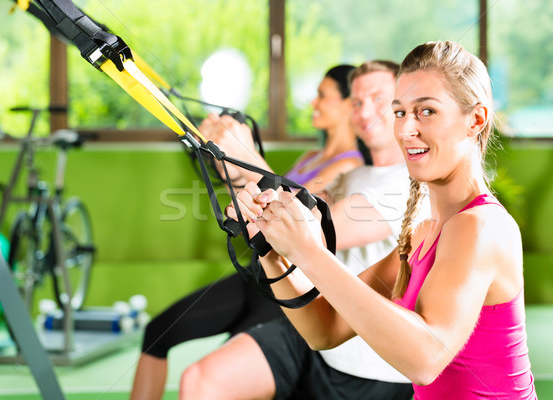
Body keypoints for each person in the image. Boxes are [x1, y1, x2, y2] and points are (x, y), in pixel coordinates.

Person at [232, 41, 538, 399]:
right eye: (399, 112)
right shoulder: (425, 233)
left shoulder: (480, 226)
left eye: (426, 111)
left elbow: (425, 359)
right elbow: (324, 328)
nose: (406, 129)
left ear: (476, 119)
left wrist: (310, 251)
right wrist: (270, 250)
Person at [178, 60, 423, 400]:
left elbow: (316, 231)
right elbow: (293, 204)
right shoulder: (356, 176)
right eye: (356, 102)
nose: (365, 111)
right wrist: (233, 166)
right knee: (202, 381)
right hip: (314, 335)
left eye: (378, 99)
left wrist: (245, 155)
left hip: (368, 366)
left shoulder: (410, 183)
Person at [130, 65, 366, 400]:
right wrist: (223, 153)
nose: (313, 102)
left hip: (287, 284)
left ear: (347, 104)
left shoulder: (349, 164)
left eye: (323, 95)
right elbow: (257, 192)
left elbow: (302, 213)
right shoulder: (311, 156)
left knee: (221, 376)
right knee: (158, 332)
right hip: (257, 273)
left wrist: (245, 152)